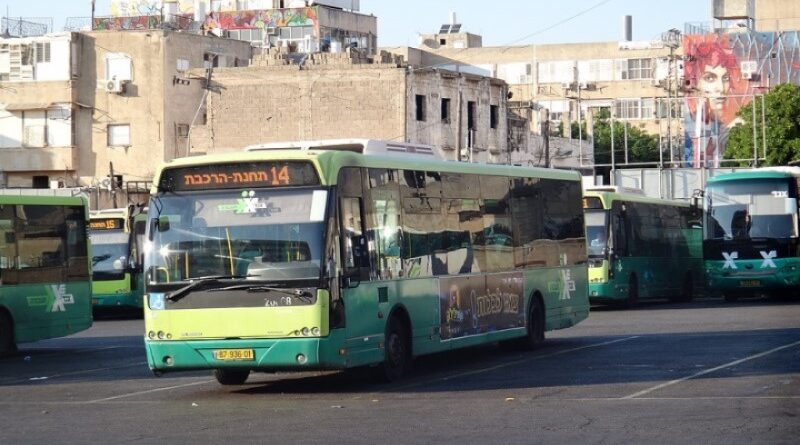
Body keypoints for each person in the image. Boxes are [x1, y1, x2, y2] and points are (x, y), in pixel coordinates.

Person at [683, 35, 750, 168]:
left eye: (725, 78)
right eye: (710, 78)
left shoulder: (738, 123)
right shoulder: (693, 123)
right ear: (695, 82)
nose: (720, 88)